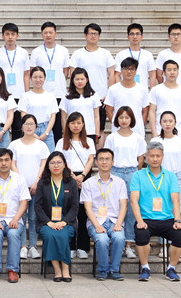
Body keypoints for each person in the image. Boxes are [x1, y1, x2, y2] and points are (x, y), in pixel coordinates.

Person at [130, 141, 181, 281]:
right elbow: (134, 201)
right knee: (141, 234)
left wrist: (177, 220)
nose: (155, 159)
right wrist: (139, 221)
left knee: (179, 235)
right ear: (146, 157)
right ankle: (145, 268)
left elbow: (175, 200)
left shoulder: (170, 176)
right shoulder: (138, 175)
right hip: (146, 219)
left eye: (158, 156)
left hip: (166, 219)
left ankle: (171, 268)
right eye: (152, 156)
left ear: (162, 157)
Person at [105, 106, 147, 259]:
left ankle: (128, 244)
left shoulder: (137, 138)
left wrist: (135, 173)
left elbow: (140, 159)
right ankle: (115, 241)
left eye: (127, 117)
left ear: (131, 119)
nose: (124, 120)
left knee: (130, 207)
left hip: (132, 172)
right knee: (114, 206)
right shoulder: (111, 138)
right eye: (121, 117)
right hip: (115, 172)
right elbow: (107, 157)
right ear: (116, 119)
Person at [0, 148, 29, 283]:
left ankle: (12, 270)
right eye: (0, 160)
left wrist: (15, 219)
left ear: (11, 161)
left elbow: (24, 203)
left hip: (14, 219)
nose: (3, 163)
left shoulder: (20, 179)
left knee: (13, 234)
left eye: (7, 160)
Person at [80, 148, 128, 281]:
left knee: (119, 238)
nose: (104, 162)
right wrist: (97, 225)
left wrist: (119, 223)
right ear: (96, 162)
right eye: (101, 159)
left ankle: (114, 270)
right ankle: (102, 270)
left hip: (114, 221)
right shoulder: (88, 183)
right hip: (95, 222)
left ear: (113, 162)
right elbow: (87, 208)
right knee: (102, 240)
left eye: (107, 159)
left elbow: (123, 205)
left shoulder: (120, 182)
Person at [8, 114, 50, 259]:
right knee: (21, 216)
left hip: (36, 186)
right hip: (19, 187)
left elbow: (43, 165)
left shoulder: (41, 145)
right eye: (26, 124)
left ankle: (32, 246)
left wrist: (36, 181)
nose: (29, 127)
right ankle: (22, 246)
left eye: (32, 124)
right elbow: (12, 164)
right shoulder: (14, 144)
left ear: (36, 127)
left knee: (33, 217)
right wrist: (22, 182)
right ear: (22, 127)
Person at [69, 23, 115, 148]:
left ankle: (98, 154)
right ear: (85, 35)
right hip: (81, 97)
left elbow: (111, 74)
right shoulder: (78, 53)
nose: (93, 36)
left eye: (96, 34)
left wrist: (108, 94)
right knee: (78, 126)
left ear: (99, 36)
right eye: (90, 33)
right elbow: (73, 74)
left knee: (99, 129)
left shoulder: (105, 53)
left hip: (100, 97)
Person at [36, 151, 78, 282]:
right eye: (52, 162)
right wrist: (48, 222)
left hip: (67, 222)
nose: (56, 165)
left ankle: (65, 268)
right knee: (50, 235)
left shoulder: (71, 182)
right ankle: (57, 270)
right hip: (47, 222)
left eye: (59, 162)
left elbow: (75, 207)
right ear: (47, 166)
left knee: (62, 234)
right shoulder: (42, 183)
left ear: (64, 164)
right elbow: (37, 206)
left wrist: (64, 222)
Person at [57, 112, 94, 259]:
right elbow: (60, 160)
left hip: (85, 177)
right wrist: (72, 176)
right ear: (68, 125)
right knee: (69, 213)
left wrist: (82, 176)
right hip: (67, 177)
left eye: (79, 122)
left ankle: (83, 247)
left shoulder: (89, 141)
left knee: (84, 213)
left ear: (83, 124)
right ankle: (71, 246)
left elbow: (91, 159)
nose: (76, 125)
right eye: (73, 123)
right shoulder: (62, 142)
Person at [30, 22, 70, 144]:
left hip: (58, 93)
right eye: (45, 33)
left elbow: (65, 71)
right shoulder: (37, 51)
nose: (48, 35)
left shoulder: (63, 51)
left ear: (55, 34)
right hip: (41, 93)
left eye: (51, 32)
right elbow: (32, 71)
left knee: (57, 127)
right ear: (42, 34)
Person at [0, 23, 31, 139]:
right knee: (3, 124)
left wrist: (26, 93)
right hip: (3, 94)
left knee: (18, 126)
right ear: (3, 36)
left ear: (17, 36)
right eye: (7, 34)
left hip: (19, 94)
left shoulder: (23, 53)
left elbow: (26, 74)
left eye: (13, 34)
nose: (10, 37)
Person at [148, 60, 181, 144]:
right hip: (160, 133)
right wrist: (154, 133)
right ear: (164, 73)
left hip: (180, 133)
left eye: (175, 70)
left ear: (178, 72)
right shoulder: (156, 90)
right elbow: (151, 111)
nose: (172, 72)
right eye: (169, 70)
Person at [104, 57, 150, 140]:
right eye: (126, 69)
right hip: (118, 132)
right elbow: (109, 110)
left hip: (137, 132)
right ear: (121, 70)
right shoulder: (113, 89)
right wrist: (116, 124)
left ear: (136, 71)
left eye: (132, 69)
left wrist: (139, 125)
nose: (129, 71)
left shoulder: (142, 90)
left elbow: (145, 111)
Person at [158, 111, 181, 226]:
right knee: (160, 207)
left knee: (177, 207)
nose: (167, 124)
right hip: (160, 177)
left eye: (170, 121)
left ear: (175, 123)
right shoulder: (156, 141)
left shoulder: (180, 141)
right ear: (160, 123)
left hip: (177, 177)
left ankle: (174, 232)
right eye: (164, 121)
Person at [17, 66, 58, 150]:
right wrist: (33, 134)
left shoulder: (51, 96)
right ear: (31, 78)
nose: (38, 80)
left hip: (47, 130)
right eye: (35, 77)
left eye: (40, 77)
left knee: (50, 156)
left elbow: (53, 116)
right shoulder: (25, 96)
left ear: (45, 78)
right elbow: (23, 116)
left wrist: (46, 133)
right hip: (29, 129)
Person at [59, 68, 100, 144]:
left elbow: (96, 116)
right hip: (72, 132)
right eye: (77, 79)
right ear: (72, 80)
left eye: (82, 79)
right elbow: (63, 117)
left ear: (87, 80)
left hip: (89, 132)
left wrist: (97, 134)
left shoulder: (93, 95)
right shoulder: (66, 97)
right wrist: (66, 133)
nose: (80, 81)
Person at [155, 23, 181, 91]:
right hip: (167, 91)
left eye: (178, 34)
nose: (176, 37)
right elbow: (159, 75)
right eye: (173, 34)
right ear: (169, 36)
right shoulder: (163, 54)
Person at [114, 23, 156, 88]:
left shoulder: (148, 55)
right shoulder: (121, 55)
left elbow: (152, 75)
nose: (135, 37)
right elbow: (117, 75)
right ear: (128, 37)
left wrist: (151, 92)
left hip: (142, 91)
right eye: (132, 34)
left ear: (141, 36)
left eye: (137, 34)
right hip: (125, 90)